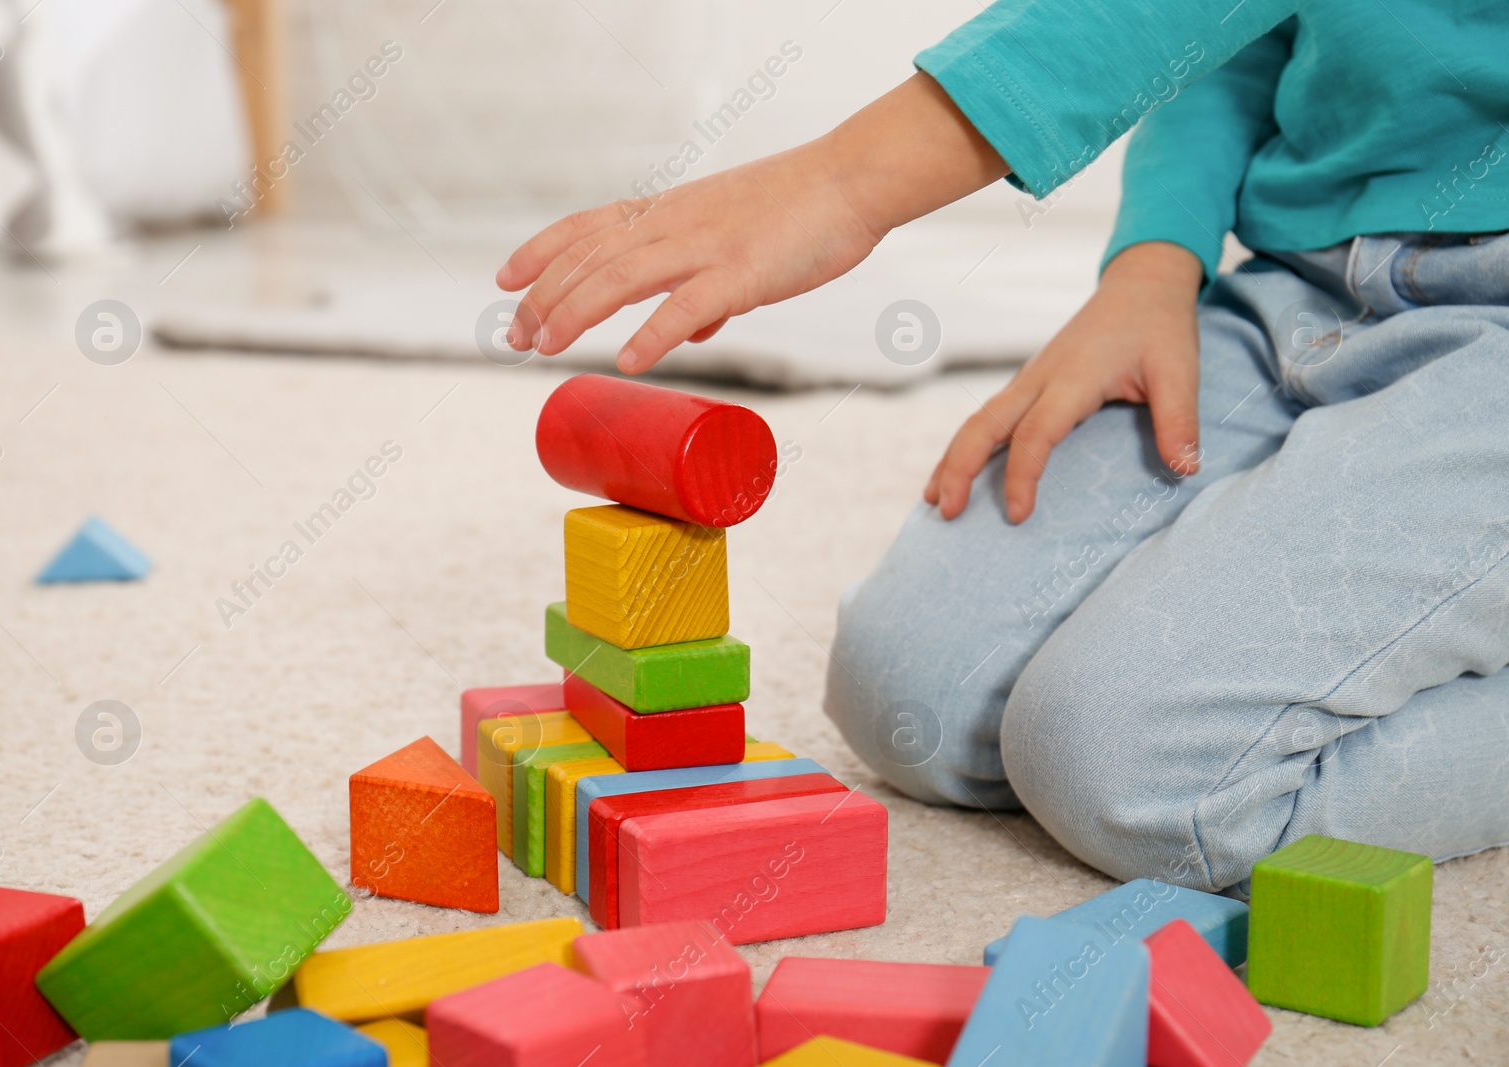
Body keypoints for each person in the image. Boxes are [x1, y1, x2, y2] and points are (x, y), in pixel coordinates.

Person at [496, 0, 1509, 893]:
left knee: (1144, 778)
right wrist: (1153, 259)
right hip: (1303, 278)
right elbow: (1235, 32)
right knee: (912, 701)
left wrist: (848, 181)